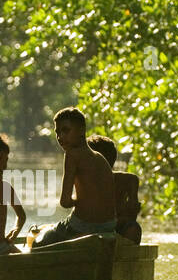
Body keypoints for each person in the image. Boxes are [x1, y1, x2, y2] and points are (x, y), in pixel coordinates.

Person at [34, 106, 117, 247]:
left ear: (82, 130)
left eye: (66, 130)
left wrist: (79, 201)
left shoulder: (72, 154)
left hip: (83, 226)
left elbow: (65, 202)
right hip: (109, 226)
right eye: (57, 132)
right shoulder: (99, 157)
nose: (60, 137)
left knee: (38, 243)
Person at [87, 135, 143, 244]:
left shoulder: (129, 180)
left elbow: (132, 214)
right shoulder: (83, 181)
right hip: (92, 229)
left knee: (133, 229)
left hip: (119, 228)